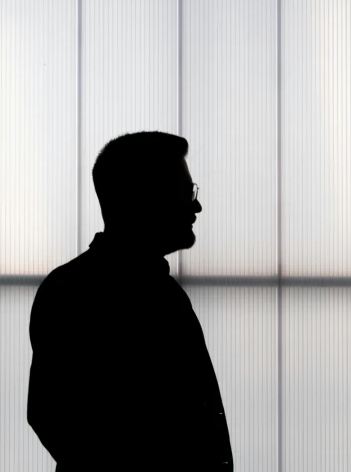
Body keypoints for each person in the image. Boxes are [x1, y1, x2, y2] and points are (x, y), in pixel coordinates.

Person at [27, 131, 233, 471]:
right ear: (146, 197)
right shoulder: (77, 292)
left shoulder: (84, 288)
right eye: (186, 192)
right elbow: (53, 417)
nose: (196, 205)